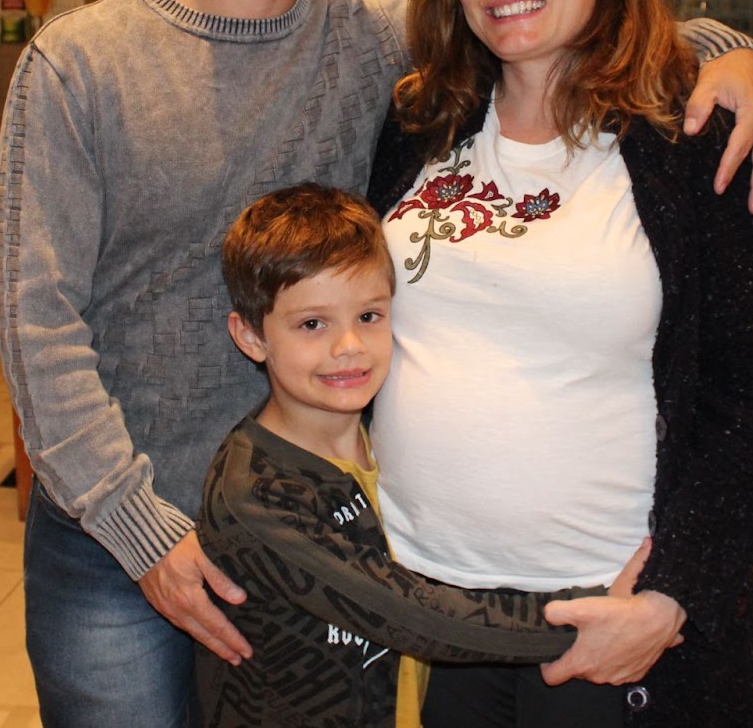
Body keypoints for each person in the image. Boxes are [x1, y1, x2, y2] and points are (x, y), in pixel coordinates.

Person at [0, 0, 753, 728]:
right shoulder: (79, 62)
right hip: (123, 536)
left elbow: (539, 14)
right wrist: (138, 529)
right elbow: (31, 319)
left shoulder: (373, 44)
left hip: (323, 529)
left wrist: (729, 50)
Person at [365, 0, 753, 727]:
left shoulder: (695, 138)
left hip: (604, 618)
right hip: (424, 605)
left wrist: (672, 597)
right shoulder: (420, 121)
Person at [201, 183, 614, 728]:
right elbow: (415, 616)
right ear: (252, 336)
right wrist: (592, 617)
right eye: (312, 324)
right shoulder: (254, 494)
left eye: (369, 316)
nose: (349, 346)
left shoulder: (392, 436)